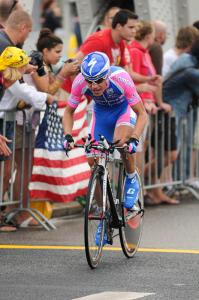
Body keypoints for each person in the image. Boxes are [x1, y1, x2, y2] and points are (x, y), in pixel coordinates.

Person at [62, 52, 148, 244]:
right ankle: (105, 215)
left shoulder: (121, 78)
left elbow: (142, 114)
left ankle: (132, 176)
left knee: (121, 141)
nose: (93, 86)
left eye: (99, 80)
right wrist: (67, 136)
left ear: (107, 74)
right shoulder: (79, 82)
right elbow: (68, 112)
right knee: (93, 160)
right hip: (101, 115)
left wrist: (134, 138)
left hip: (123, 111)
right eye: (89, 81)